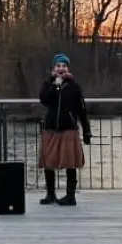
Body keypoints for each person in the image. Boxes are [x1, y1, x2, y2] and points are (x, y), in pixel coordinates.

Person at [38, 53, 91, 206]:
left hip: (69, 128)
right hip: (51, 127)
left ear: (68, 68)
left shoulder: (75, 87)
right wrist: (54, 86)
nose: (61, 68)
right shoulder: (48, 84)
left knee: (70, 162)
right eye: (58, 66)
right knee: (49, 161)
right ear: (53, 68)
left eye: (63, 66)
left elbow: (81, 110)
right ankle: (50, 194)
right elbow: (44, 100)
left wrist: (86, 130)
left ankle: (70, 196)